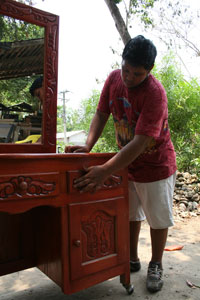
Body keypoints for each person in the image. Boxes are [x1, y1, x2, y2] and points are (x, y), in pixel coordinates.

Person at [65, 35, 177, 293]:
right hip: (127, 164)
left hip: (155, 164)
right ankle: (132, 258)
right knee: (130, 214)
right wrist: (89, 145)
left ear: (149, 71)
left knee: (158, 218)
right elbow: (102, 112)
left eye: (136, 74)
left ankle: (156, 264)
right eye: (126, 69)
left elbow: (139, 143)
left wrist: (105, 170)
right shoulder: (114, 78)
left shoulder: (155, 94)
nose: (128, 77)